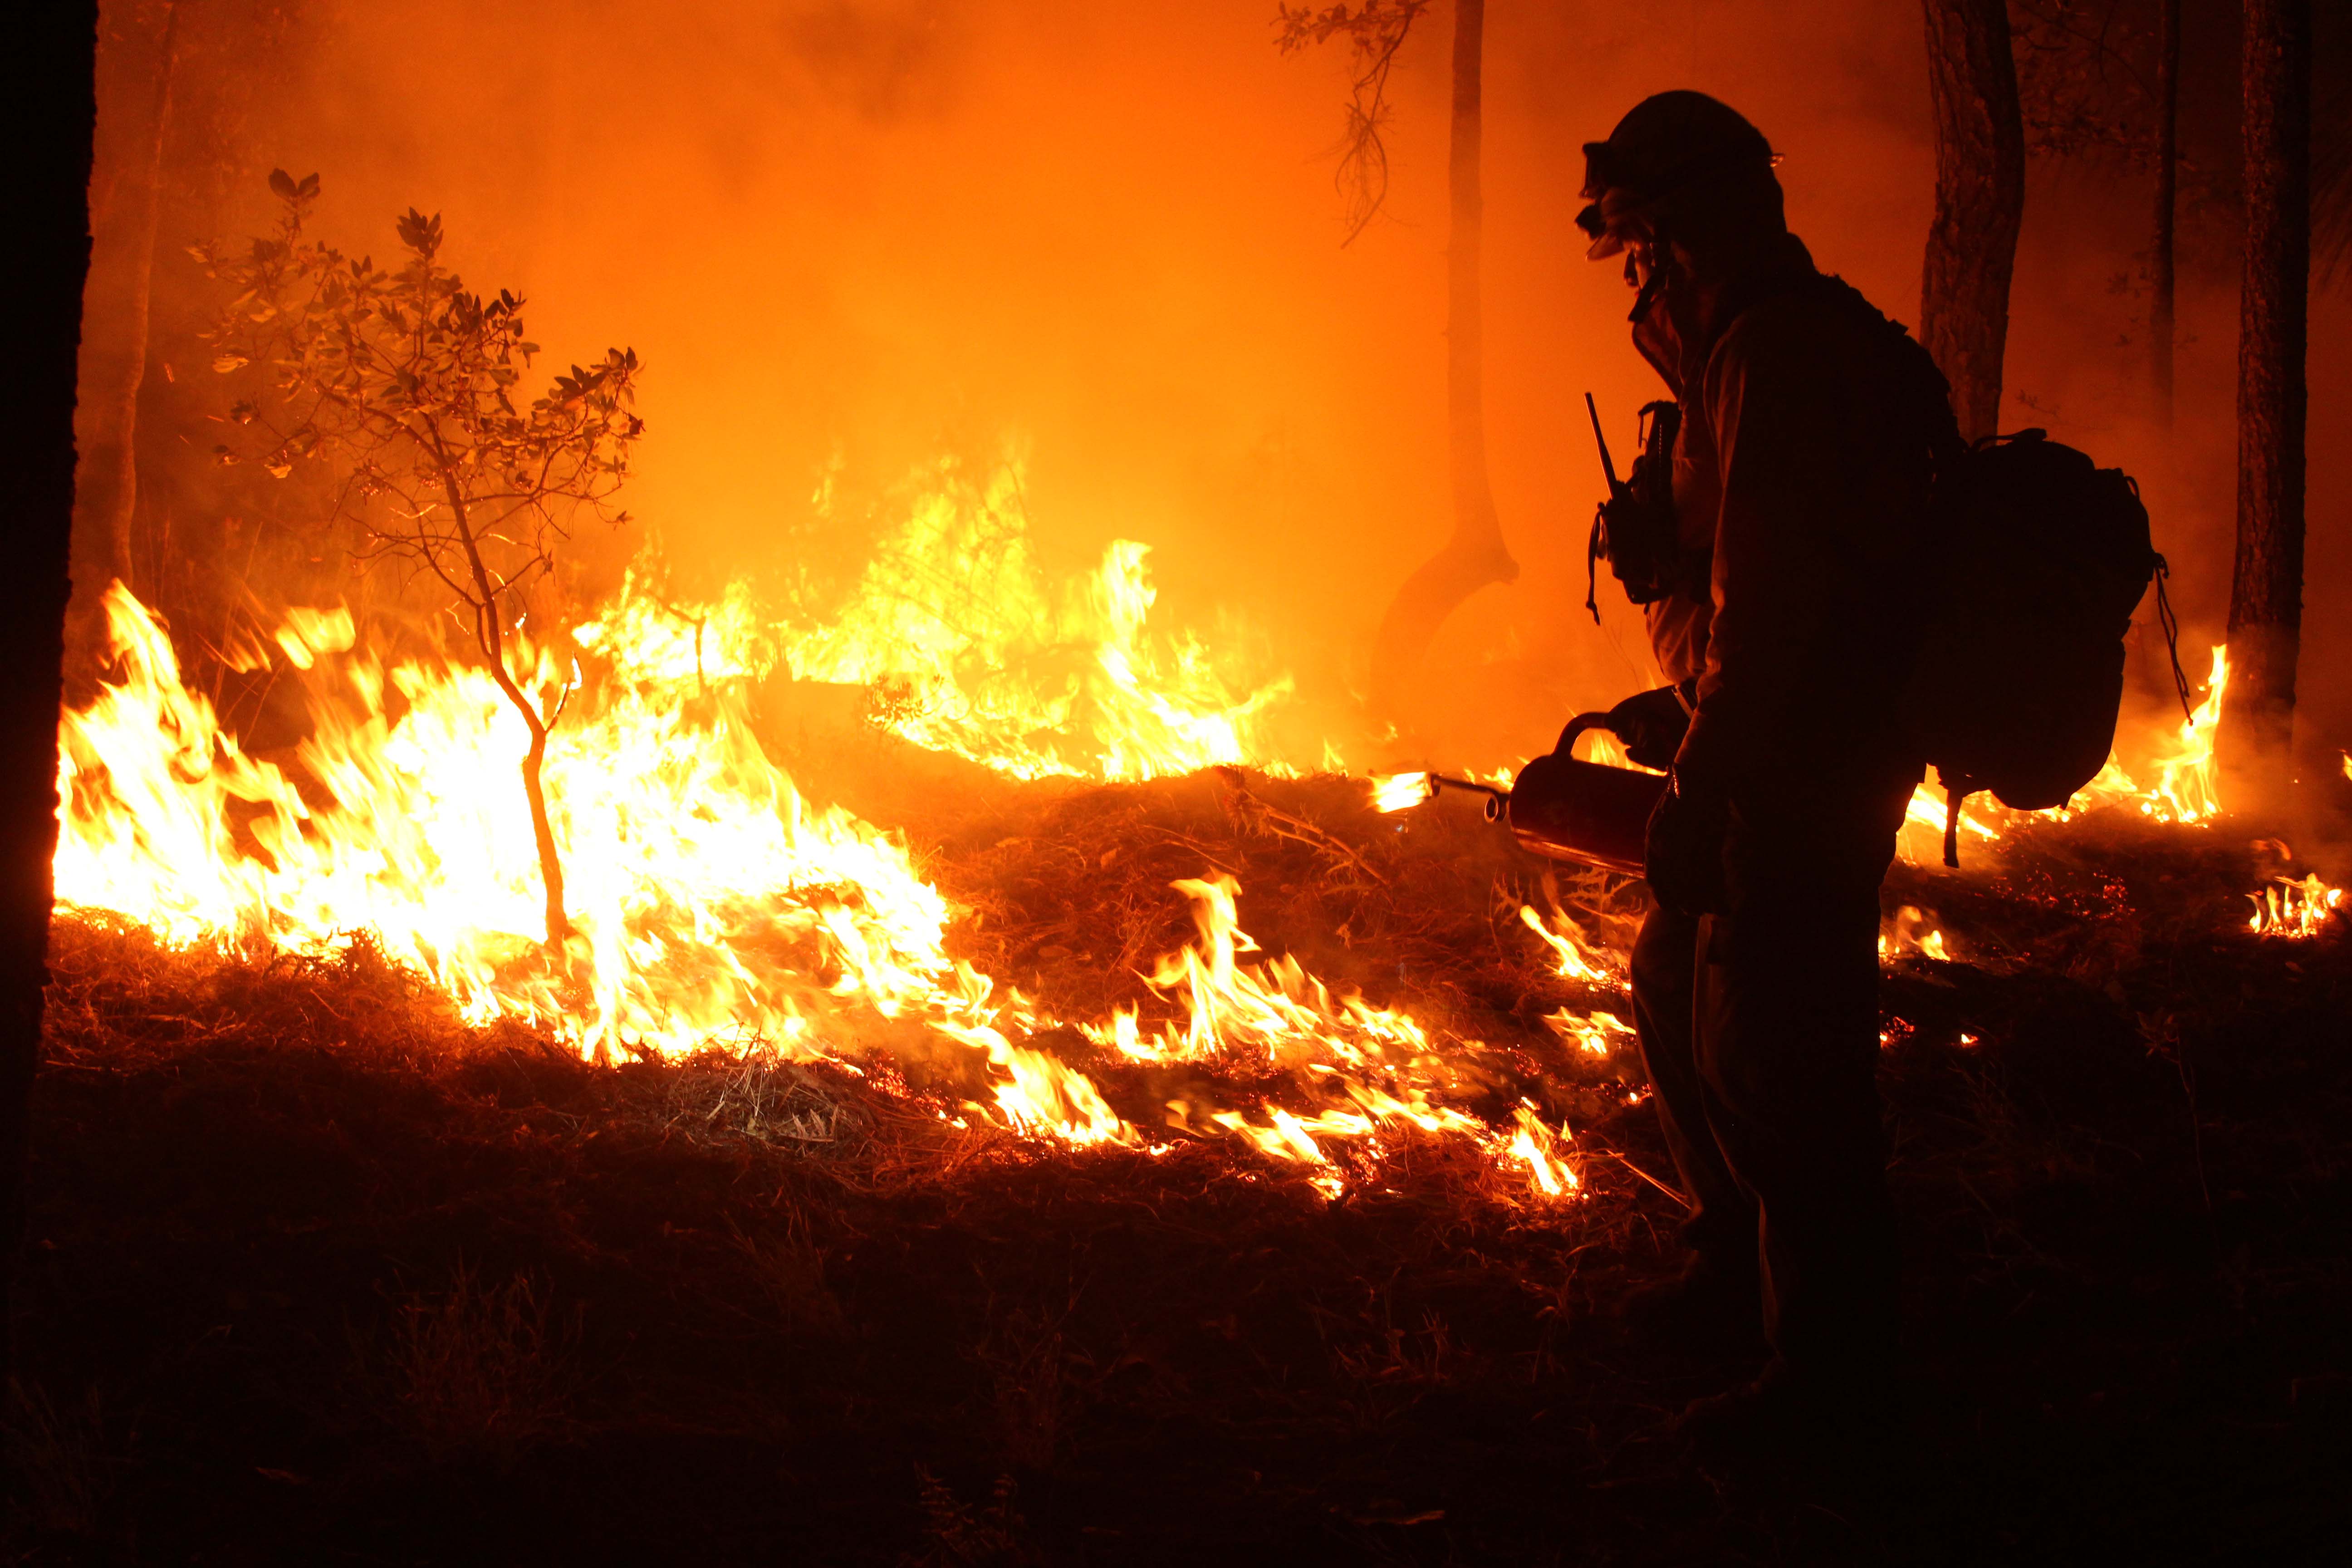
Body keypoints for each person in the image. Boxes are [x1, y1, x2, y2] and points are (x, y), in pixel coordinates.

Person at [1576, 91, 1946, 1441]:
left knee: (1782, 1056)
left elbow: (1781, 603)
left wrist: (1711, 777)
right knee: (1678, 982)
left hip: (1806, 761)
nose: (1635, 273)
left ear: (1683, 227)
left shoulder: (1775, 360)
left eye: (1638, 242)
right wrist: (1667, 598)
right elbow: (1750, 580)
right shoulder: (1758, 351)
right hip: (1779, 738)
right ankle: (1737, 1267)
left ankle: (1832, 1387)